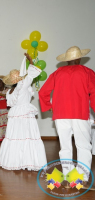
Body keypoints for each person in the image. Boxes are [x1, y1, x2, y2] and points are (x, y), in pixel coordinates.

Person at [39, 46, 95, 190]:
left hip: (61, 115)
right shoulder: (87, 72)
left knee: (65, 147)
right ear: (79, 58)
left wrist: (49, 106)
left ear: (66, 59)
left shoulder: (57, 73)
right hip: (80, 114)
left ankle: (66, 178)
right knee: (83, 147)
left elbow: (43, 92)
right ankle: (80, 180)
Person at [0, 53, 47, 172]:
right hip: (24, 113)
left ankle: (15, 161)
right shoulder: (23, 85)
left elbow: (10, 104)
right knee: (27, 136)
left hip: (15, 114)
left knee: (15, 136)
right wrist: (30, 60)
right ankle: (27, 160)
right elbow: (33, 71)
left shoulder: (9, 92)